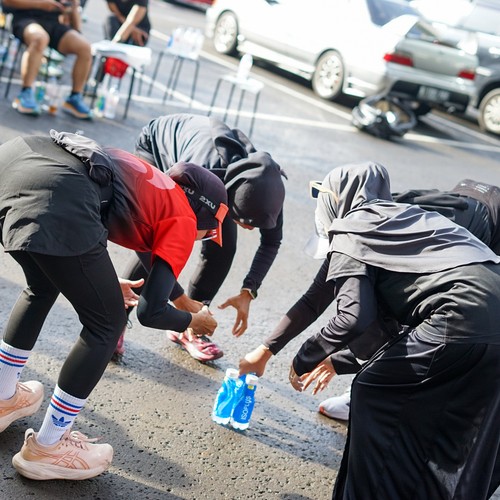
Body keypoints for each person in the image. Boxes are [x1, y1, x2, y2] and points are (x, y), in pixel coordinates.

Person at [0, 130, 228, 480]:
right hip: (61, 194)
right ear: (204, 214)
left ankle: (2, 396)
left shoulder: (152, 183)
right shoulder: (184, 217)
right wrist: (191, 322)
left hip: (18, 161)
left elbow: (81, 237)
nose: (204, 238)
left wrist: (103, 282)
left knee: (41, 286)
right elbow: (151, 312)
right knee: (106, 325)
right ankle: (49, 446)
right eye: (210, 232)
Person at [286, 162, 500, 499]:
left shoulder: (351, 228)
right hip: (483, 313)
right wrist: (337, 360)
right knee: (441, 414)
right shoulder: (400, 218)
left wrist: (303, 358)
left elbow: (353, 317)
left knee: (372, 389)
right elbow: (391, 325)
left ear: (332, 201)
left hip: (459, 315)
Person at [239, 178, 500, 421]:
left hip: (488, 232)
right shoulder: (358, 223)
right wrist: (265, 350)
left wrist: (337, 361)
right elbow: (314, 298)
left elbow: (372, 318)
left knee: (429, 320)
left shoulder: (373, 231)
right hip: (468, 198)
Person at [115, 113, 286, 363]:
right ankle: (116, 318)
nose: (250, 230)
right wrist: (179, 298)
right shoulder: (201, 177)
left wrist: (249, 290)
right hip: (159, 144)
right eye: (244, 222)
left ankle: (189, 326)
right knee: (157, 233)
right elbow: (147, 241)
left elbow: (271, 241)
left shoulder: (267, 190)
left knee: (223, 248)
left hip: (218, 177)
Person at [4, 0, 93, 118]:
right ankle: (26, 92)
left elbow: (75, 23)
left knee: (85, 47)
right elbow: (7, 2)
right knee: (40, 39)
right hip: (25, 19)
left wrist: (72, 7)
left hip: (53, 23)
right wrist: (40, 4)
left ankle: (74, 97)